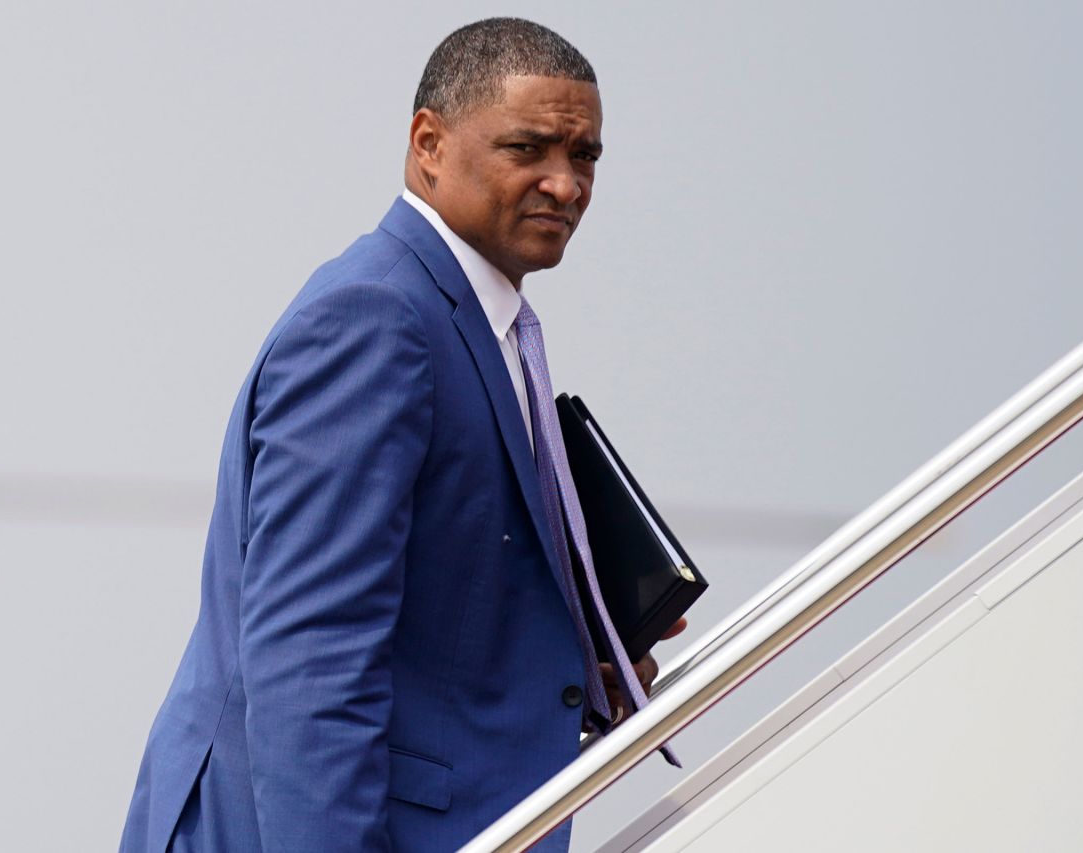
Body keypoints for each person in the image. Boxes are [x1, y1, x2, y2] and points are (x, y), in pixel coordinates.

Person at [119, 17, 682, 853]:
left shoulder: (477, 324)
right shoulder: (378, 319)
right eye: (529, 149)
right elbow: (311, 657)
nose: (565, 185)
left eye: (585, 156)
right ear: (429, 143)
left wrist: (561, 676)